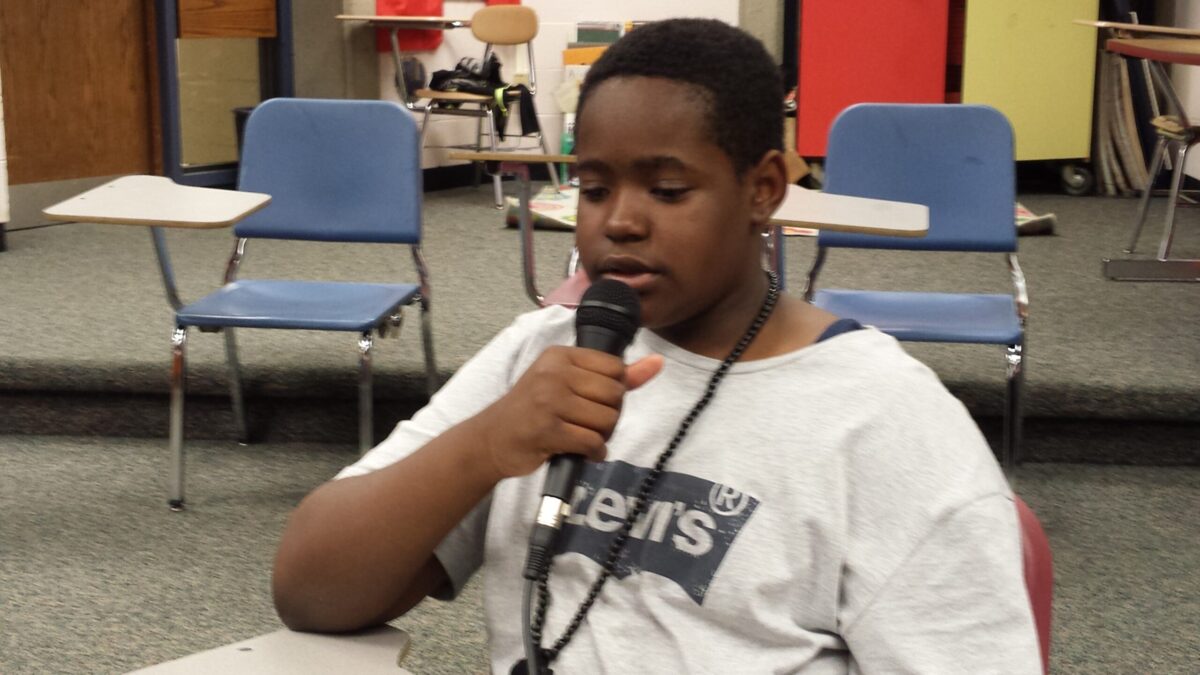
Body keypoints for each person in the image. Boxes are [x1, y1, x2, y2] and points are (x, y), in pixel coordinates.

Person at [272, 18, 1041, 673]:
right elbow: (312, 589)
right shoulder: (540, 356)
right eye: (595, 188)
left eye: (667, 190)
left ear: (764, 189)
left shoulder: (880, 417)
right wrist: (486, 444)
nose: (619, 222)